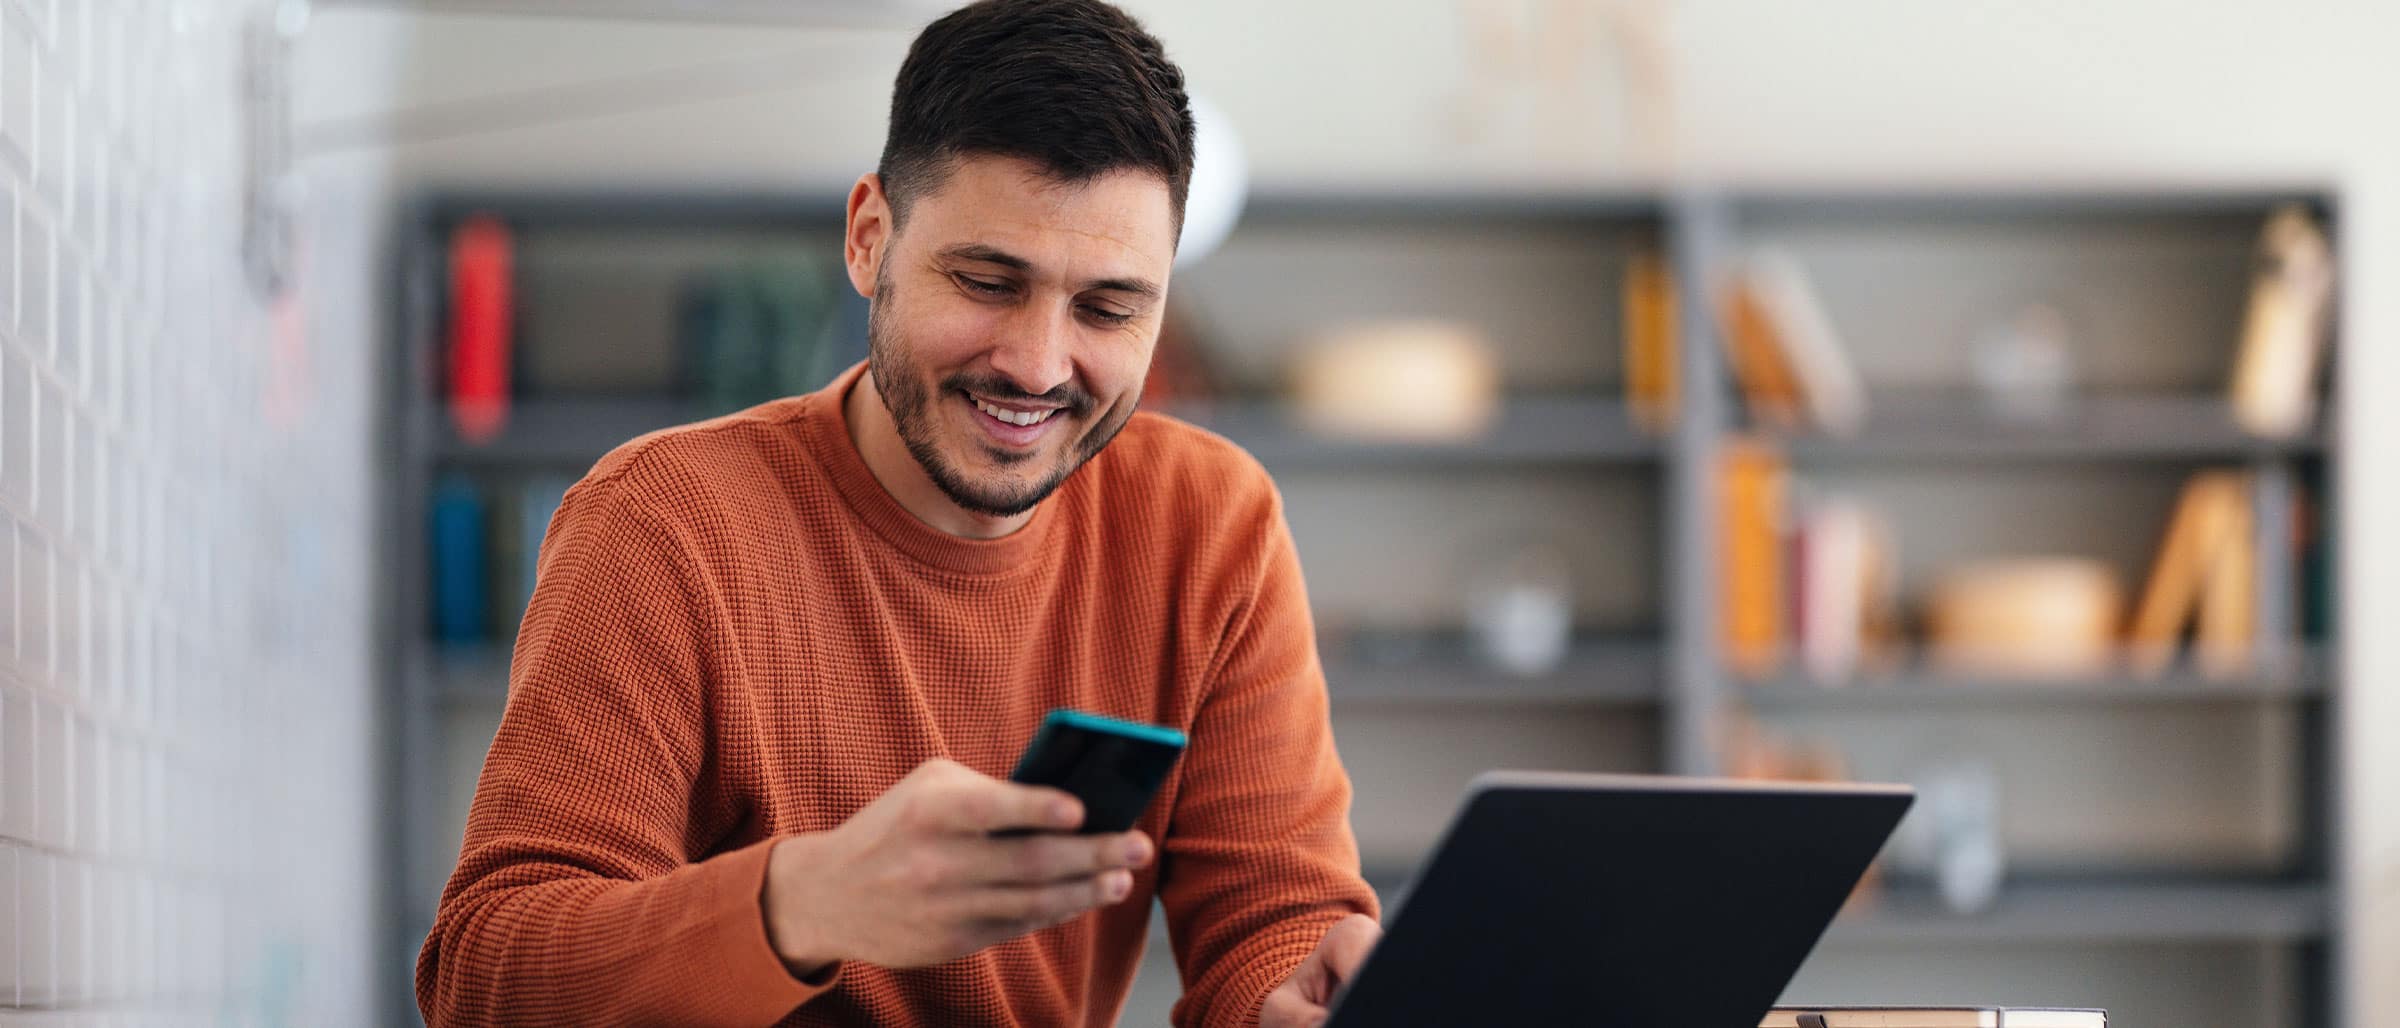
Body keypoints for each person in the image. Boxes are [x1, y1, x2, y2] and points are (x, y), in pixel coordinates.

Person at [414, 1, 1382, 1025]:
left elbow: (1270, 911)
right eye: (986, 280)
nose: (1039, 364)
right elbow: (490, 978)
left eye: (1108, 307)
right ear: (871, 239)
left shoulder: (1210, 521)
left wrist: (1289, 985)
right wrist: (804, 903)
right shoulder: (663, 523)